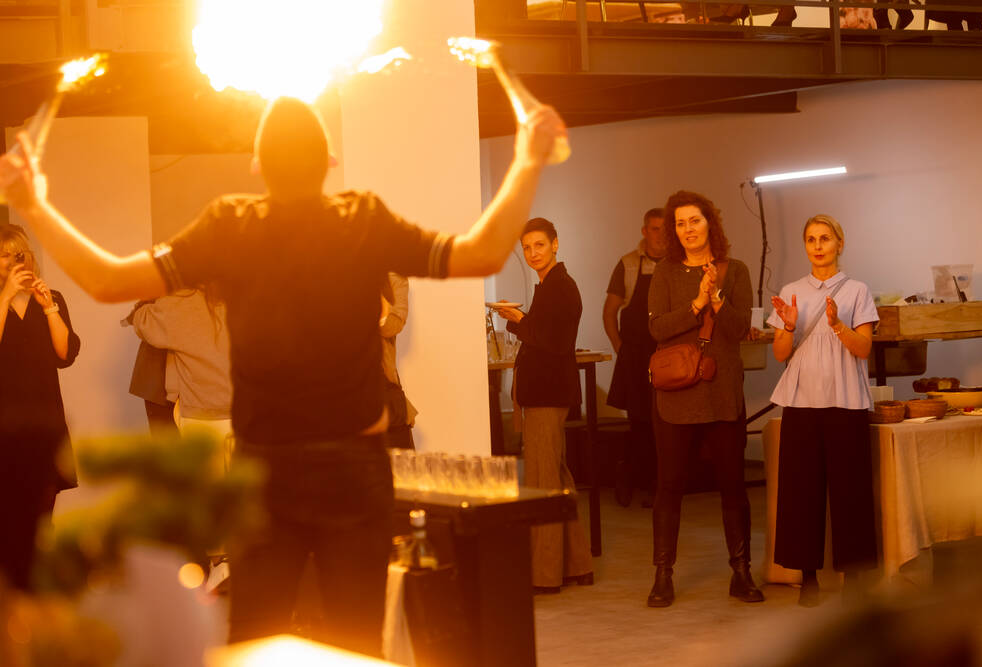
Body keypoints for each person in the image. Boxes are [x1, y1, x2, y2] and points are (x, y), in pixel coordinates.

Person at [0, 97, 566, 655]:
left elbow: (106, 280)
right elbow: (481, 253)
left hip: (265, 472)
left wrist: (33, 202)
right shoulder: (363, 218)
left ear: (256, 164)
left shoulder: (231, 224)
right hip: (353, 471)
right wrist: (528, 158)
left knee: (256, 641)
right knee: (355, 644)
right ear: (329, 161)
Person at [646, 190, 763, 608]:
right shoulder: (664, 272)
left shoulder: (736, 270)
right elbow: (657, 329)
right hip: (676, 397)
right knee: (669, 487)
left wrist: (717, 301)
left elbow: (739, 329)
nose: (687, 229)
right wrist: (696, 304)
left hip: (722, 394)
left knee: (733, 486)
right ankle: (663, 575)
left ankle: (741, 572)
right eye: (680, 223)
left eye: (694, 220)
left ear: (710, 223)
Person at [768, 214, 878, 607]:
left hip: (846, 400)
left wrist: (837, 325)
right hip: (802, 403)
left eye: (825, 238)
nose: (818, 246)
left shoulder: (857, 290)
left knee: (852, 492)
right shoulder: (791, 291)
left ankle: (856, 578)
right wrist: (788, 326)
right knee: (800, 492)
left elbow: (863, 348)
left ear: (839, 244)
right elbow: (780, 353)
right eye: (811, 239)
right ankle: (808, 577)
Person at [496, 217, 594, 593]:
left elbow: (554, 342)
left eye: (539, 245)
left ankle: (546, 574)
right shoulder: (549, 285)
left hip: (547, 396)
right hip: (547, 394)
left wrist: (518, 319)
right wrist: (519, 320)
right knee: (557, 479)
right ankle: (577, 566)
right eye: (527, 247)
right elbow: (545, 335)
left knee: (542, 482)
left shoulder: (560, 286)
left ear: (555, 244)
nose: (533, 253)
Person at [0, 223, 80, 590]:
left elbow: (65, 354)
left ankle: (36, 590)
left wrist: (49, 308)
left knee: (43, 510)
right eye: (4, 256)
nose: (13, 262)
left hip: (45, 419)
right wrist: (6, 297)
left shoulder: (52, 296)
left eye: (19, 255)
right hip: (5, 422)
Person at [603, 207, 667, 508]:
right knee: (639, 423)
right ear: (644, 231)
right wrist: (621, 349)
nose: (660, 235)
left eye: (665, 229)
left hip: (668, 356)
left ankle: (660, 487)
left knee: (664, 423)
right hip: (636, 357)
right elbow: (609, 313)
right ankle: (629, 477)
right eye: (654, 228)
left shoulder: (678, 264)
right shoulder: (628, 264)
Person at [131, 288, 233, 470]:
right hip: (244, 409)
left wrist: (144, 302)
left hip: (200, 412)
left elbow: (143, 321)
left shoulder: (181, 301)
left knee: (201, 481)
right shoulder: (244, 294)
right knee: (245, 479)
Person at [380, 272, 417, 449]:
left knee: (400, 464)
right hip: (340, 389)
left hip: (383, 387)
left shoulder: (394, 278)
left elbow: (390, 326)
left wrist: (369, 286)